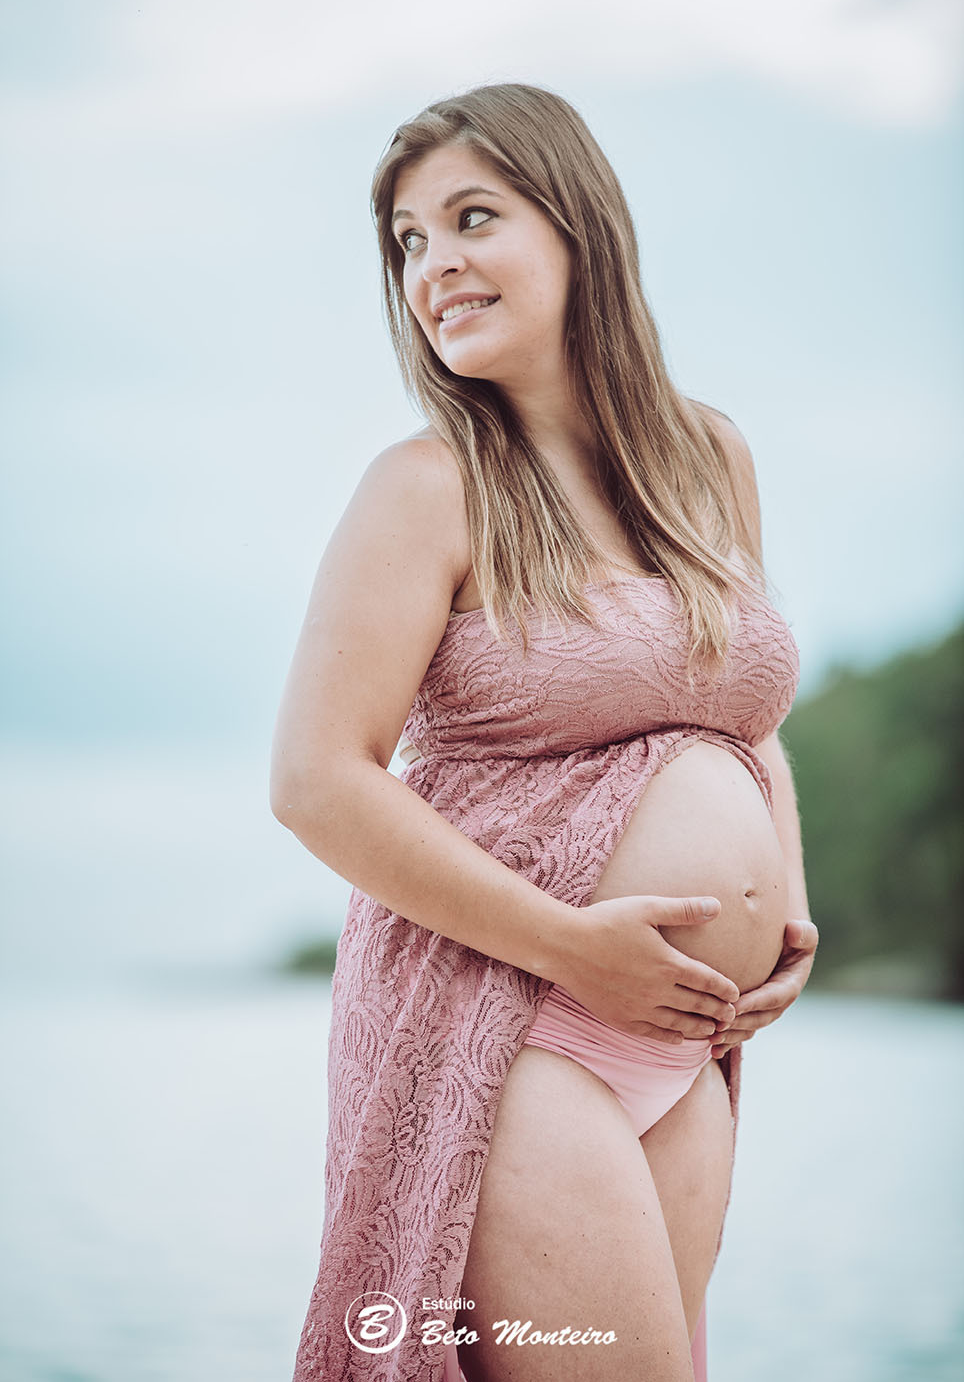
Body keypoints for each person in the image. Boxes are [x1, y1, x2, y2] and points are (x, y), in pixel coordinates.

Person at [270, 81, 819, 1382]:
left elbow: (747, 720)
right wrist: (577, 945)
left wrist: (788, 906)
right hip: (507, 1024)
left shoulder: (711, 460)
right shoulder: (426, 489)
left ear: (580, 230)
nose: (436, 266)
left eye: (472, 219)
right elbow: (316, 782)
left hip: (688, 1037)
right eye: (408, 241)